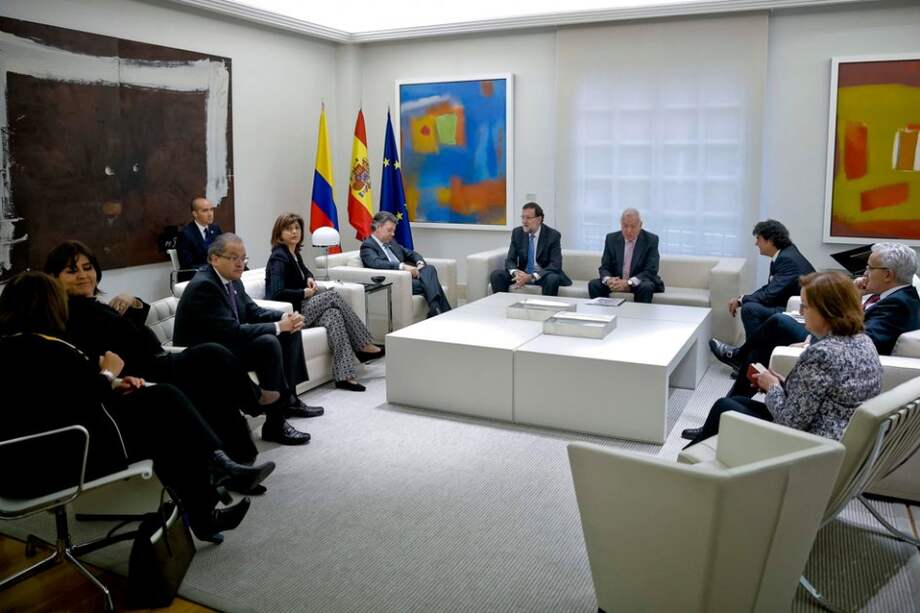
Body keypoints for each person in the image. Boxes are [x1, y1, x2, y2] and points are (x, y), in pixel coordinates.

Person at [0, 271, 273, 544]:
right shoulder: (40, 349)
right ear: (49, 305)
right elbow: (78, 402)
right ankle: (212, 487)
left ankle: (211, 492)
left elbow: (60, 399)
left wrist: (115, 383)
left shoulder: (19, 347)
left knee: (164, 406)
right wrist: (108, 374)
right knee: (166, 417)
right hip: (56, 460)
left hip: (33, 458)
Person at [44, 240, 277, 469]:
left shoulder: (95, 305)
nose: (84, 276)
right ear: (54, 278)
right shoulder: (67, 315)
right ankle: (252, 404)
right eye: (71, 271)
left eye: (88, 268)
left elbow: (132, 328)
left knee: (213, 370)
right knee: (212, 356)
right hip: (142, 371)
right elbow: (107, 349)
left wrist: (133, 302)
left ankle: (241, 458)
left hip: (160, 359)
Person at [683, 271, 882, 446]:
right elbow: (823, 395)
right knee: (734, 403)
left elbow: (790, 421)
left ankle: (686, 468)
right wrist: (782, 383)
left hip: (812, 444)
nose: (801, 312)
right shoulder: (864, 341)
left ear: (826, 311)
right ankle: (689, 462)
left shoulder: (822, 353)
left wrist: (773, 387)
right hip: (834, 431)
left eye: (805, 306)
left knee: (726, 407)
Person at [711, 242, 920, 398]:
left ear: (888, 275)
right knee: (761, 347)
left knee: (778, 323)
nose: (865, 273)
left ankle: (738, 368)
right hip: (836, 343)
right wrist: (856, 293)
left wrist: (810, 342)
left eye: (869, 268)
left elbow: (862, 340)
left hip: (842, 358)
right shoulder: (891, 295)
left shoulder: (899, 304)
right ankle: (734, 398)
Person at [174, 233, 318, 445]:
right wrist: (278, 326)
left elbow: (253, 311)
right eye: (234, 258)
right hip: (205, 354)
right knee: (268, 342)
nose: (240, 263)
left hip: (226, 345)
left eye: (243, 258)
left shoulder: (231, 280)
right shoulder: (205, 286)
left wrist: (284, 318)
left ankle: (288, 400)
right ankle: (276, 423)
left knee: (289, 331)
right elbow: (232, 331)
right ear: (214, 258)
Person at [265, 213, 382, 392]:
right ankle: (363, 344)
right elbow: (276, 293)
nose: (294, 232)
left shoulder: (294, 253)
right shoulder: (278, 258)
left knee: (333, 315)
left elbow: (306, 272)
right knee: (331, 296)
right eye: (288, 229)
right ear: (279, 234)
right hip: (292, 314)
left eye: (297, 228)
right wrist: (304, 292)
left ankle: (344, 377)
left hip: (304, 307)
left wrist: (310, 279)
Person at [724, 219, 814, 342]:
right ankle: (754, 352)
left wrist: (742, 300)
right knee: (751, 305)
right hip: (790, 303)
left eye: (758, 239)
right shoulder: (786, 253)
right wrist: (742, 298)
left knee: (750, 309)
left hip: (798, 311)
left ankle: (754, 355)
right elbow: (770, 288)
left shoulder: (786, 259)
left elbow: (769, 294)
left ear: (770, 241)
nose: (756, 244)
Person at [361, 211, 452, 317]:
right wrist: (402, 267)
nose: (393, 234)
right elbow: (376, 263)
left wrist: (419, 263)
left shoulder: (391, 242)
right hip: (394, 281)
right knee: (430, 283)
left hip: (409, 278)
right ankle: (442, 311)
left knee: (429, 269)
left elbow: (411, 254)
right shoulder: (367, 246)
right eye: (389, 230)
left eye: (393, 231)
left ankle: (435, 309)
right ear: (378, 227)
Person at [489, 202, 572, 297]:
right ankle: (502, 306)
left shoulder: (552, 235)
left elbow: (555, 265)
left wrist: (531, 276)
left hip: (542, 275)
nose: (524, 221)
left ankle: (546, 311)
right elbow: (510, 260)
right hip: (523, 273)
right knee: (497, 275)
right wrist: (516, 272)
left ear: (539, 219)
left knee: (552, 278)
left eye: (528, 218)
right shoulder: (518, 233)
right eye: (522, 217)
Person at [587, 208, 664, 303]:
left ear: (640, 225)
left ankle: (638, 317)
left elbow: (651, 270)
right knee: (594, 284)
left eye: (633, 226)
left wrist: (628, 283)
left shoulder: (651, 240)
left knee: (646, 287)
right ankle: (606, 314)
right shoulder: (611, 239)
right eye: (625, 226)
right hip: (616, 282)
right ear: (621, 225)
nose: (628, 230)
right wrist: (609, 280)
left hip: (638, 282)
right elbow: (604, 267)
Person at [176, 196, 223, 281]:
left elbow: (223, 251)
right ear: (195, 214)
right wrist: (214, 268)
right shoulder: (185, 234)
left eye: (211, 210)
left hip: (216, 273)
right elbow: (187, 265)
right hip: (194, 277)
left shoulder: (216, 229)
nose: (210, 214)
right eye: (205, 210)